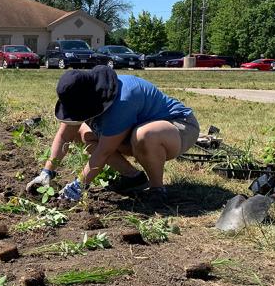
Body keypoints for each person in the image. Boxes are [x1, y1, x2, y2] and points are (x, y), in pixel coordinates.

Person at [26, 66, 200, 203]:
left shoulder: (122, 100)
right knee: (81, 133)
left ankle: (157, 189)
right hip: (133, 133)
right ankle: (134, 178)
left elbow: (104, 152)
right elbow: (64, 136)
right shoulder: (85, 93)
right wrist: (46, 173)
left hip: (178, 127)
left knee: (145, 136)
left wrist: (80, 185)